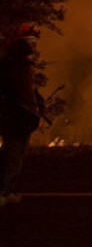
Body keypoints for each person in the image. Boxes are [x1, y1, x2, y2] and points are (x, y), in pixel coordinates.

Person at [0, 24, 42, 207]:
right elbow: (18, 92)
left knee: (16, 153)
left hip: (19, 115)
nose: (34, 46)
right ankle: (3, 191)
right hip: (17, 115)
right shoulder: (17, 65)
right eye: (31, 42)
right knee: (14, 154)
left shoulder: (15, 63)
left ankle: (7, 189)